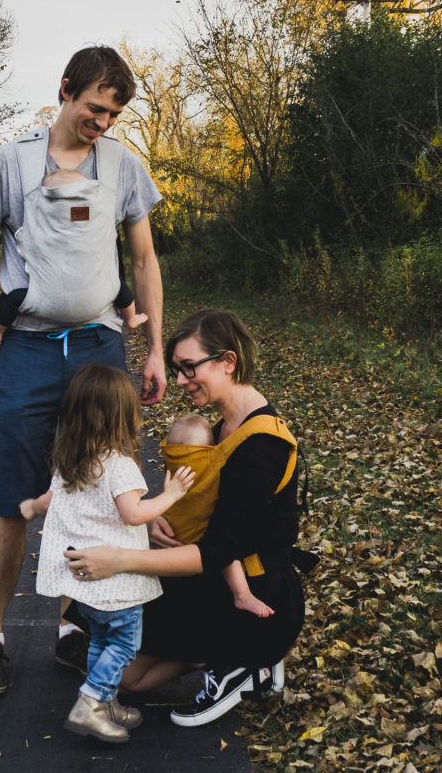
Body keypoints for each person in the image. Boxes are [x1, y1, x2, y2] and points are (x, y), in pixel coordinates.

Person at [0, 45, 167, 696]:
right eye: (93, 108)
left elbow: (145, 260)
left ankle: (77, 628)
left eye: (112, 114)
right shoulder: (8, 162)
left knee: (100, 493)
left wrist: (155, 345)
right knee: (14, 499)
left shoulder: (123, 165)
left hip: (100, 350)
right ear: (66, 90)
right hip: (29, 350)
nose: (101, 123)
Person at [65, 308, 313, 727]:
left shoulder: (263, 445)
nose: (180, 381)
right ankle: (232, 657)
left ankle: (251, 657)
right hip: (209, 578)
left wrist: (119, 559)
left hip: (254, 594)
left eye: (188, 368)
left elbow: (219, 549)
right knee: (124, 676)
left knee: (122, 663)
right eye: (178, 370)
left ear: (228, 362)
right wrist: (150, 521)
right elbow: (193, 506)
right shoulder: (218, 427)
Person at [19, 364, 194, 744]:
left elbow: (51, 500)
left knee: (99, 641)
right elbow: (134, 514)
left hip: (89, 590)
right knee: (124, 645)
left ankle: (108, 703)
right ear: (122, 416)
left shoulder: (71, 461)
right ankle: (91, 702)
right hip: (117, 587)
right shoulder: (120, 466)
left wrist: (32, 506)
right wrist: (169, 497)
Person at [0, 168, 147, 345]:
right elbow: (110, 236)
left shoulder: (38, 232)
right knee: (117, 284)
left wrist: (20, 233)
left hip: (45, 302)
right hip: (95, 300)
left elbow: (22, 240)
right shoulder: (95, 226)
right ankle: (131, 318)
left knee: (14, 298)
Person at [162, 414, 274, 618]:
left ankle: (242, 594)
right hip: (187, 540)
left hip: (185, 543)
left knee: (224, 550)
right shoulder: (210, 469)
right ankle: (242, 594)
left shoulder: (186, 476)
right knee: (227, 554)